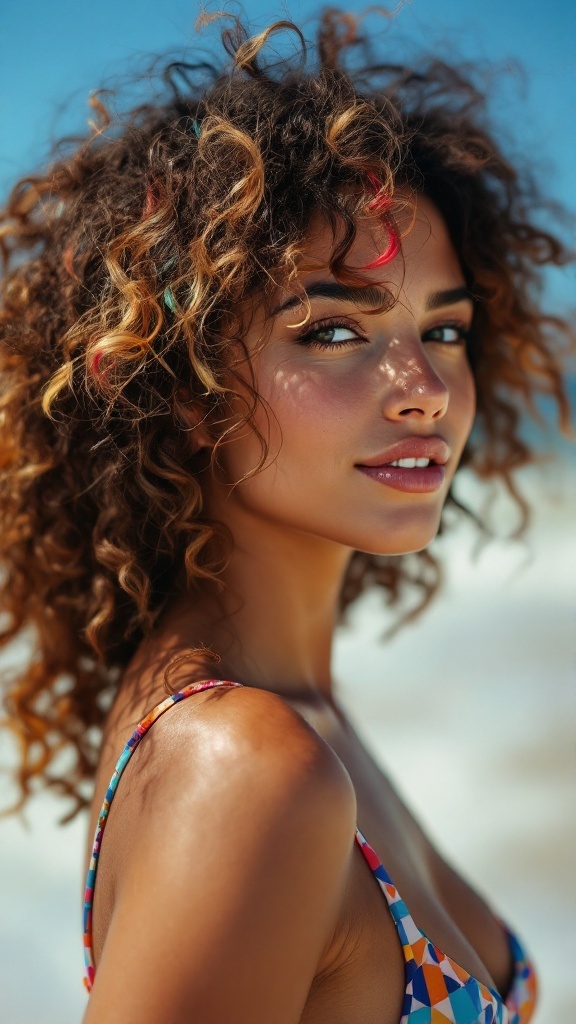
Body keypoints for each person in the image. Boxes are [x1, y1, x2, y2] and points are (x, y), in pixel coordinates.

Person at [0, 10, 571, 1024]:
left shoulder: (297, 711)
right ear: (181, 385)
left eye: (443, 326)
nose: (424, 388)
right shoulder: (247, 767)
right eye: (334, 329)